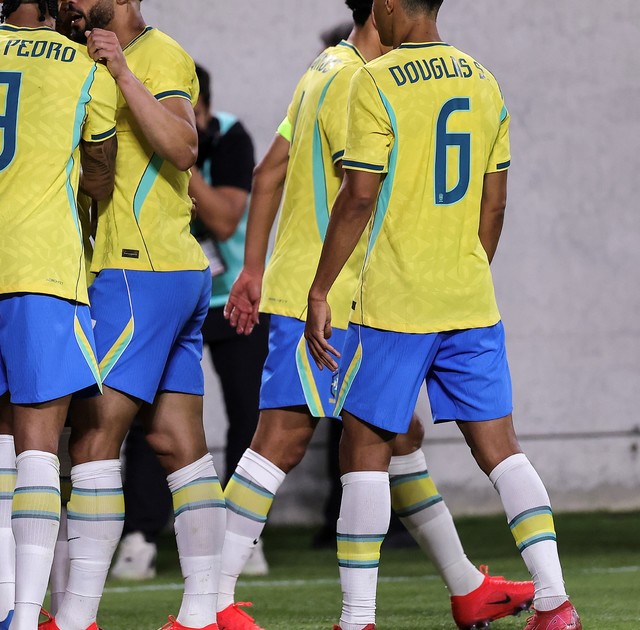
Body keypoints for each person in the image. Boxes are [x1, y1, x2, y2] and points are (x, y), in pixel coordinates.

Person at [220, 3, 537, 629]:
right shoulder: (358, 82)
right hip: (330, 291)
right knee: (281, 438)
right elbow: (359, 195)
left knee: (398, 434)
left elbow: (268, 171)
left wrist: (252, 268)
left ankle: (467, 586)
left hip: (316, 284)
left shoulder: (324, 66)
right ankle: (207, 601)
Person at [302, 0, 580, 628]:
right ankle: (556, 602)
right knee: (503, 451)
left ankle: (357, 618)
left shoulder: (375, 80)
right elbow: (494, 204)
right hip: (469, 300)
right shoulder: (484, 80)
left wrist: (320, 290)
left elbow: (359, 196)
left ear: (390, 4)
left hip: (394, 305)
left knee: (364, 449)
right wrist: (463, 271)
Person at [0, 2, 118, 629]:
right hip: (43, 267)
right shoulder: (82, 65)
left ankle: (4, 602)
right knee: (39, 442)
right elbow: (100, 179)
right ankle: (26, 617)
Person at [49, 2, 224, 629]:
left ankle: (74, 618)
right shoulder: (76, 54)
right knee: (179, 445)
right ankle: (204, 613)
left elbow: (183, 147)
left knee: (93, 440)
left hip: (135, 271)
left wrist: (123, 71)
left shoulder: (158, 54)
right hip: (171, 273)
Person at [108, 61, 269, 584]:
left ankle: (245, 533)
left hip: (233, 295)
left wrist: (180, 151)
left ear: (203, 108)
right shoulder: (134, 127)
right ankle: (141, 535)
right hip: (167, 291)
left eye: (186, 109)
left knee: (250, 413)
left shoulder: (229, 136)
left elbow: (223, 217)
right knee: (147, 417)